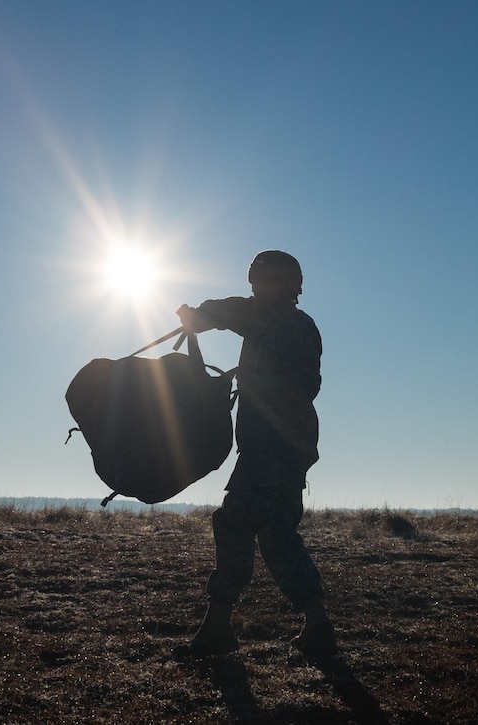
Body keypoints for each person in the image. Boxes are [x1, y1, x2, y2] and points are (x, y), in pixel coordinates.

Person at [175, 250, 337, 658]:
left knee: (233, 525)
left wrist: (253, 381)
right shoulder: (261, 316)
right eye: (253, 282)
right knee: (278, 535)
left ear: (286, 286)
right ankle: (318, 625)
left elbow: (304, 387)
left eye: (263, 282)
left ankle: (217, 628)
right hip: (285, 447)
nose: (255, 289)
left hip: (273, 447)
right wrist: (196, 314)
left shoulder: (293, 325)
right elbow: (228, 311)